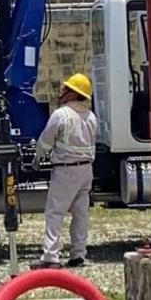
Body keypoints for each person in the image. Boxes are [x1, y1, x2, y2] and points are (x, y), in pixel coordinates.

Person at [30, 73, 97, 270]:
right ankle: (78, 254)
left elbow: (46, 140)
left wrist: (37, 156)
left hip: (66, 170)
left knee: (55, 213)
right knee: (80, 215)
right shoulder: (90, 117)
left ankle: (51, 257)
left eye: (65, 88)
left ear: (73, 93)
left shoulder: (61, 115)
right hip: (86, 170)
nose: (61, 91)